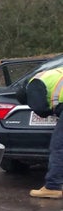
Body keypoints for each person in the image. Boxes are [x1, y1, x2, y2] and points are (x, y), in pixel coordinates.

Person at [25, 66, 63, 198]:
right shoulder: (52, 74)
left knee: (59, 147)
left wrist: (51, 111)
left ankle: (53, 187)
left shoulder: (34, 83)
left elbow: (40, 109)